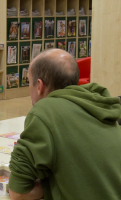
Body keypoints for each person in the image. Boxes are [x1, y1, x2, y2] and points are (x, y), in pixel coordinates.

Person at [8, 49, 121, 200]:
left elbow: (18, 192)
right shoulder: (97, 103)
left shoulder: (45, 111)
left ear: (39, 85)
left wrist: (50, 185)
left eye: (30, 82)